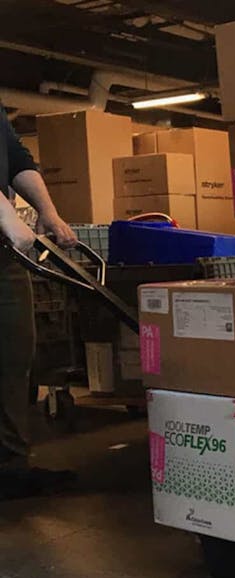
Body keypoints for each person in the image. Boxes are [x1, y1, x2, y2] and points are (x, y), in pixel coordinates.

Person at [0, 103, 78, 496]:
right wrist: (4, 213)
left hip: (2, 251)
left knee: (14, 351)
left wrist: (48, 212)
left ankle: (10, 466)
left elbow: (15, 155)